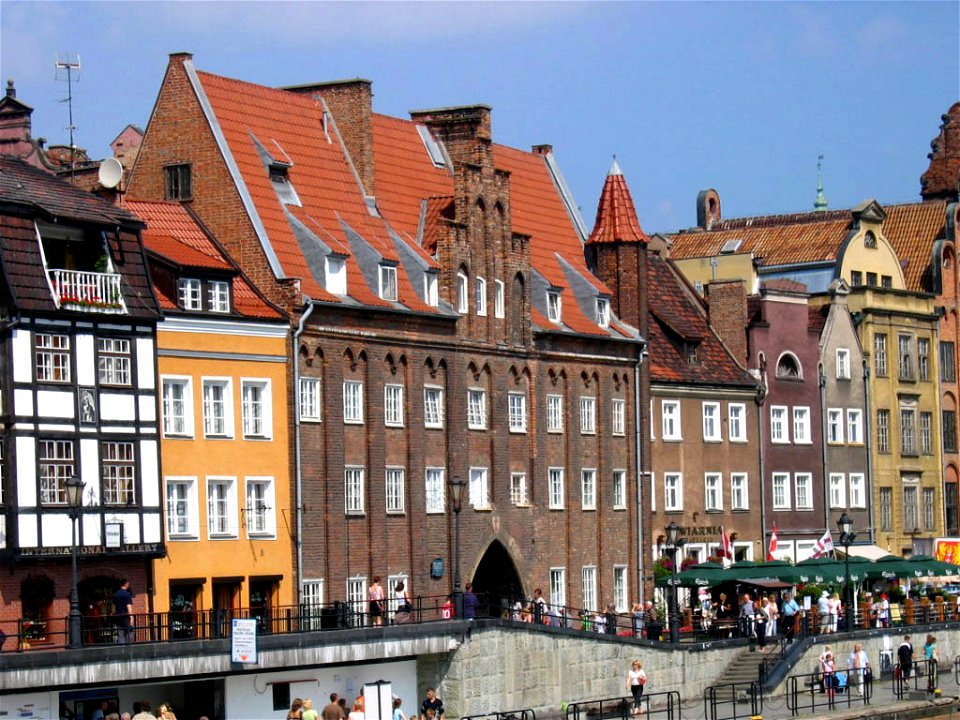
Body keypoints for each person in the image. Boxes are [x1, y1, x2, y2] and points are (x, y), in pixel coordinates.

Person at [113, 579, 134, 644]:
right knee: (129, 632)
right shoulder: (127, 594)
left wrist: (114, 614)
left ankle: (121, 649)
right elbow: (129, 607)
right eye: (128, 584)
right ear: (126, 584)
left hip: (118, 616)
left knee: (120, 633)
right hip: (125, 616)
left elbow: (114, 607)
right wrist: (131, 618)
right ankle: (129, 648)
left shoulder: (116, 595)